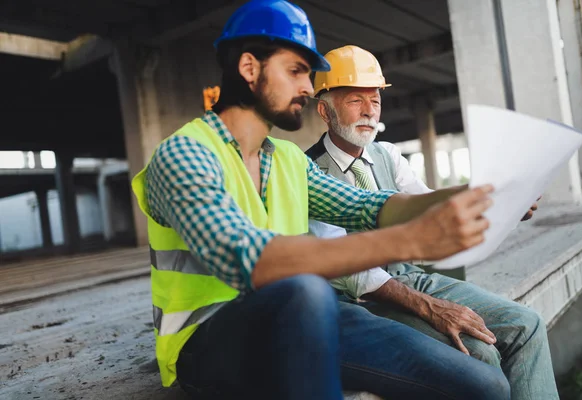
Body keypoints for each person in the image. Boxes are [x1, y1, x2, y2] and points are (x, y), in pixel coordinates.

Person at [130, 1, 511, 399]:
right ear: (249, 68)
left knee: (485, 386)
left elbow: (370, 206)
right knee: (307, 291)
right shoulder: (184, 155)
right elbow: (251, 259)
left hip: (303, 316)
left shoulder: (289, 159)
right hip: (211, 340)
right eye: (296, 71)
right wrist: (411, 239)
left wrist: (472, 195)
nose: (309, 88)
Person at [306, 45, 559, 400]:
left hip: (409, 276)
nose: (368, 112)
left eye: (375, 101)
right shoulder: (309, 171)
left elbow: (427, 208)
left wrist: (501, 207)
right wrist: (429, 306)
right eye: (354, 101)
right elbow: (355, 275)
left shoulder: (387, 154)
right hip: (362, 300)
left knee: (527, 325)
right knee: (479, 353)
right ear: (324, 110)